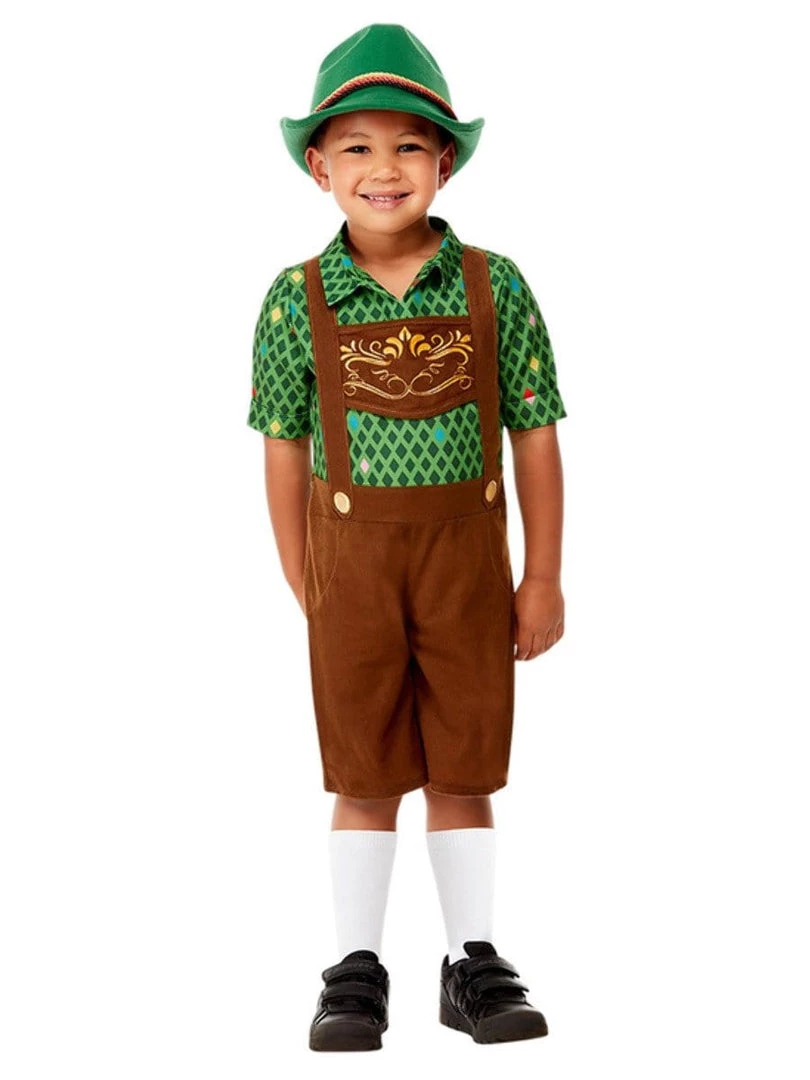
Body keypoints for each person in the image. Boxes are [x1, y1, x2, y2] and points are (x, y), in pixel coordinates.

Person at [248, 23, 567, 1052]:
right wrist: (306, 580)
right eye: (357, 147)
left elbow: (534, 435)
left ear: (444, 163)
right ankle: (355, 969)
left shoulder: (494, 283)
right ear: (319, 166)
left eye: (408, 146)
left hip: (468, 563)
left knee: (465, 764)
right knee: (364, 771)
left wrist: (542, 577)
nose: (383, 169)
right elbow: (285, 448)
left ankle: (473, 959)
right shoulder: (296, 299)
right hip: (350, 565)